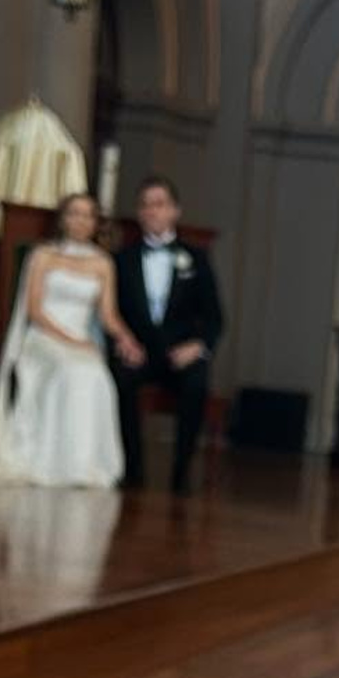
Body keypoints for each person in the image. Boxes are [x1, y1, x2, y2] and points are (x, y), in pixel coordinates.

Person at [0, 193, 136, 489]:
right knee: (71, 370)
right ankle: (55, 463)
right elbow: (35, 310)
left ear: (96, 222)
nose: (81, 220)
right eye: (74, 213)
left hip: (81, 342)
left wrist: (127, 339)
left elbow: (108, 314)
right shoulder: (43, 256)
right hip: (45, 337)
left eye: (88, 215)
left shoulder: (103, 263)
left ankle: (87, 464)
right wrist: (70, 341)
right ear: (63, 219)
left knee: (95, 375)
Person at [112, 177, 226, 494]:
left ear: (175, 211)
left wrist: (198, 346)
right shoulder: (122, 259)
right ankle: (132, 470)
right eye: (145, 205)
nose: (152, 211)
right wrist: (123, 341)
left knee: (196, 383)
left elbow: (215, 317)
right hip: (141, 352)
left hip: (181, 352)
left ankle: (181, 474)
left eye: (159, 204)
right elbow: (111, 310)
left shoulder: (197, 259)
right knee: (120, 379)